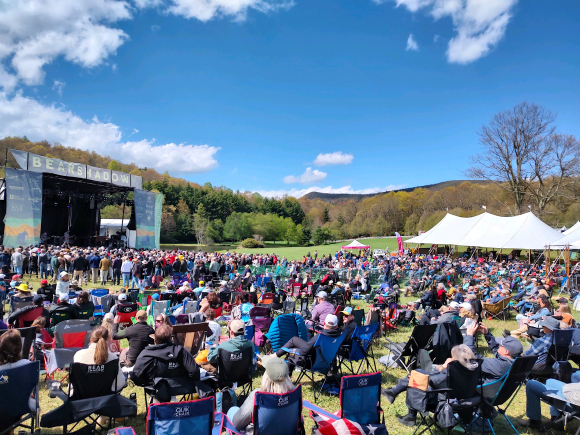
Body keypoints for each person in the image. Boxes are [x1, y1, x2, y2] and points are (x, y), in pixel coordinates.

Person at [384, 344, 479, 427]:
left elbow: (431, 381)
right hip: (466, 401)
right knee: (419, 372)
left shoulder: (451, 374)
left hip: (443, 403)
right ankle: (393, 393)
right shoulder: (473, 371)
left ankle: (410, 415)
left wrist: (444, 366)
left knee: (416, 378)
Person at [131, 324, 200, 402]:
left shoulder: (146, 353)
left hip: (156, 388)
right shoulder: (179, 350)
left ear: (154, 339)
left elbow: (136, 375)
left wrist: (147, 384)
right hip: (181, 387)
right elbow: (194, 371)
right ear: (170, 338)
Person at [228, 355, 296, 432]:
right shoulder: (294, 393)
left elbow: (237, 424)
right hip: (287, 431)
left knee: (232, 410)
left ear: (266, 377)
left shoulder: (258, 395)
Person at [275, 314, 342, 369]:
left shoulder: (320, 337)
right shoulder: (339, 336)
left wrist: (294, 350)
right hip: (328, 362)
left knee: (292, 352)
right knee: (295, 339)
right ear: (336, 326)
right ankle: (276, 355)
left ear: (324, 323)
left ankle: (276, 357)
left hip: (313, 363)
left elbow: (303, 351)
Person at [74, 326, 126, 391]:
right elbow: (119, 383)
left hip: (82, 397)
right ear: (108, 339)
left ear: (91, 339)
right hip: (106, 397)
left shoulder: (78, 355)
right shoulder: (113, 358)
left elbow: (75, 382)